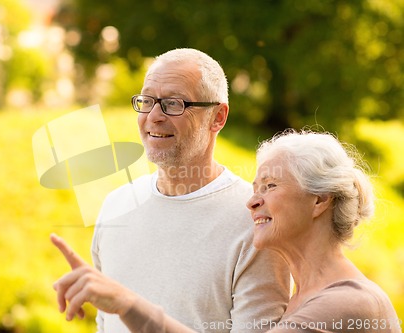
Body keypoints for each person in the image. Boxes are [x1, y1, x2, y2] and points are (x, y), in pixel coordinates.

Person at [51, 129, 402, 333]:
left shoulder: (346, 304)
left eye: (270, 186)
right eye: (254, 187)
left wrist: (128, 304)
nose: (252, 202)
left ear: (319, 201)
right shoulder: (304, 297)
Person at [53, 48, 291, 332]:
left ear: (218, 117)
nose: (153, 116)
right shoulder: (116, 205)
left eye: (173, 104)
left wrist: (128, 304)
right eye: (147, 101)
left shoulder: (256, 219)